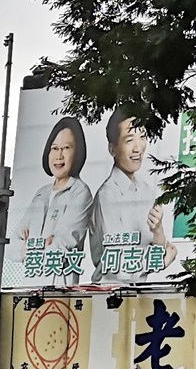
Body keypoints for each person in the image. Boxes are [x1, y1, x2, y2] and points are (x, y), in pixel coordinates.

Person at [90, 108, 177, 283]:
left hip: (137, 295)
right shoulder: (108, 195)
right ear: (112, 148)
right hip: (109, 296)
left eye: (142, 137)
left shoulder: (145, 190)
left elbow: (155, 248)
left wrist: (158, 230)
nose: (138, 148)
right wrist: (162, 261)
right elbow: (118, 267)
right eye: (129, 140)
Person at [15, 117, 93, 286]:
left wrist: (29, 247)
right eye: (54, 148)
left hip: (59, 290)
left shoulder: (80, 192)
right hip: (27, 287)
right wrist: (40, 244)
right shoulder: (41, 194)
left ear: (78, 152)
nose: (59, 155)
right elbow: (11, 246)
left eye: (66, 148)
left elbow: (61, 247)